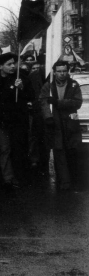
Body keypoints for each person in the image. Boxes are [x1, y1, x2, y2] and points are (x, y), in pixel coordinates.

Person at [0, 52, 33, 188]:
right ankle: (7, 178)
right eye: (9, 64)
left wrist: (21, 89)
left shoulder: (21, 78)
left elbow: (31, 96)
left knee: (18, 148)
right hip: (1, 121)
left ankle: (20, 176)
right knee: (4, 148)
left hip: (18, 120)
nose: (13, 66)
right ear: (0, 66)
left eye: (13, 64)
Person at [40, 60, 83, 190]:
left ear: (67, 71)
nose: (62, 73)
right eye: (59, 71)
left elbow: (77, 102)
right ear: (55, 72)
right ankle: (64, 182)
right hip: (55, 123)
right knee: (59, 151)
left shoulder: (74, 85)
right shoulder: (49, 86)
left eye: (64, 71)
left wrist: (58, 102)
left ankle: (74, 180)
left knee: (72, 150)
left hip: (70, 123)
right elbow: (43, 101)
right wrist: (48, 116)